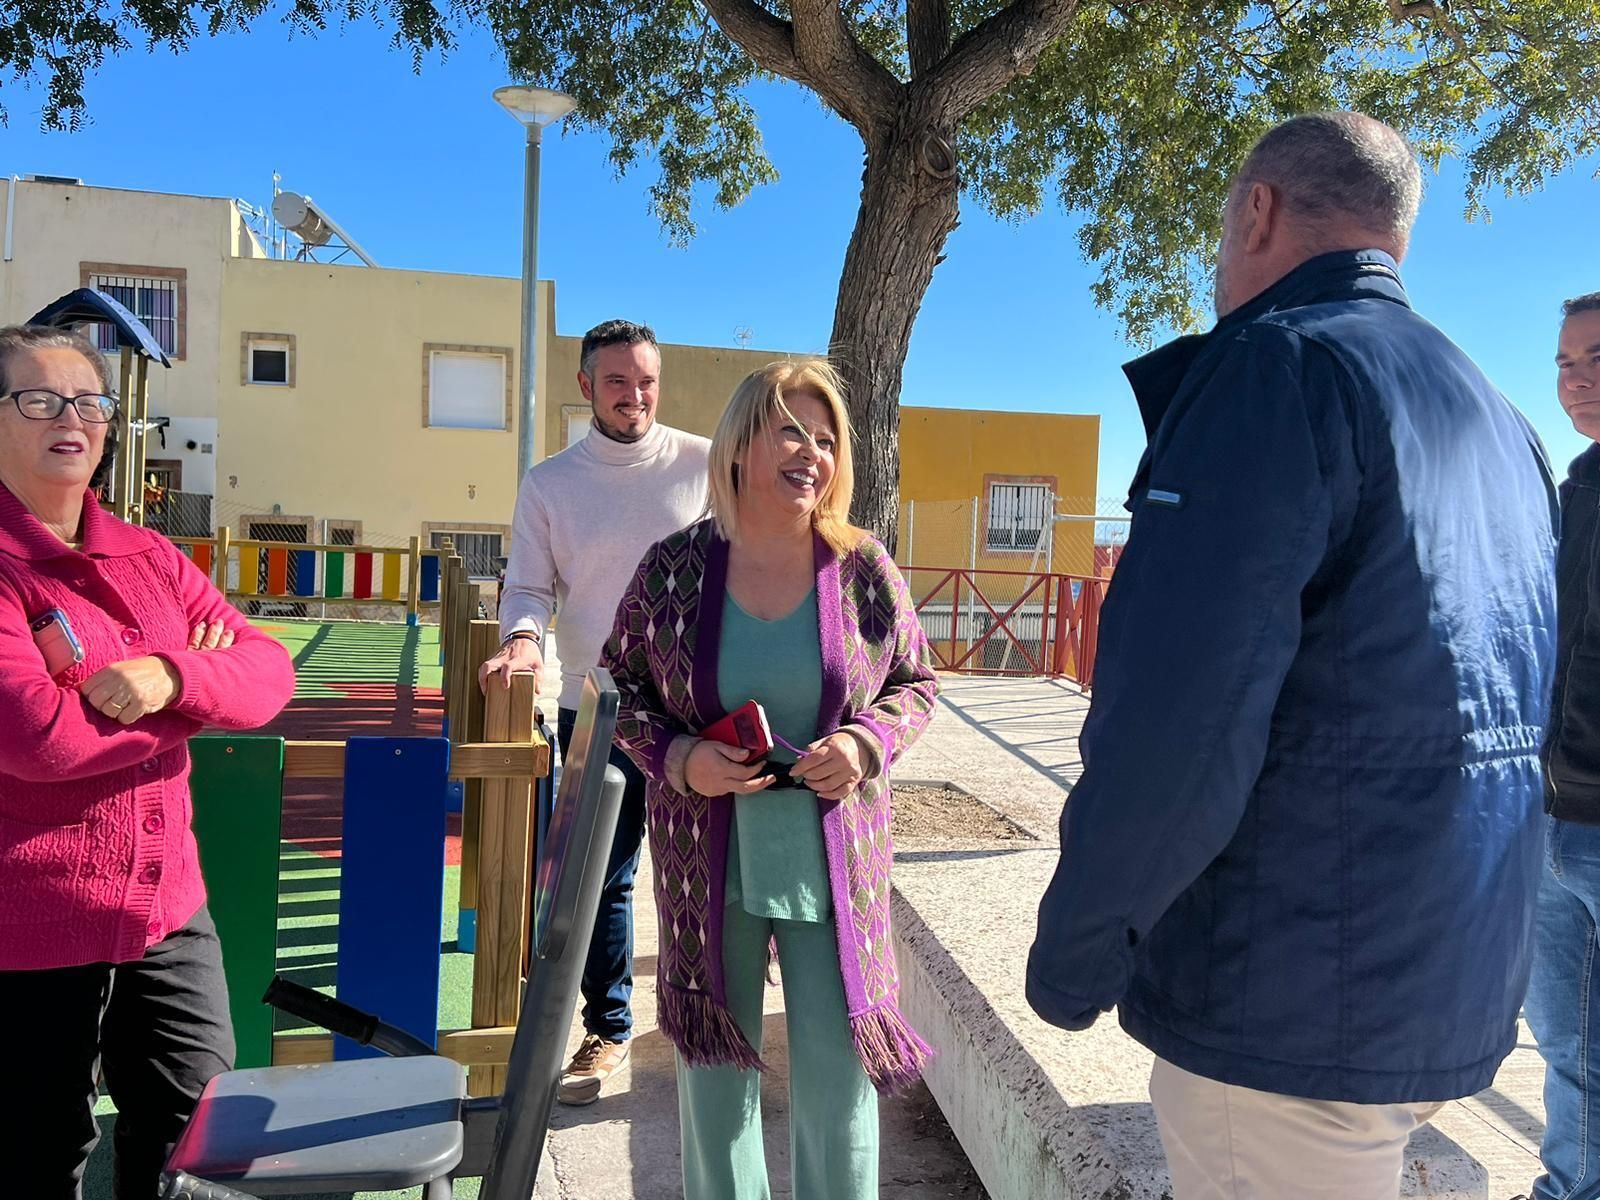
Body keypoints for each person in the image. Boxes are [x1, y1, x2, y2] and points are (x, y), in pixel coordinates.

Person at [1024, 112, 1558, 1199]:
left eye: (1222, 230)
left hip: (1289, 983)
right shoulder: (1502, 418)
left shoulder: (1272, 372)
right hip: (1444, 969)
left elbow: (1181, 722)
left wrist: (1075, 954)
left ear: (1256, 210)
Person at [599, 358, 938, 1198]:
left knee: (836, 1080)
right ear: (743, 441)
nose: (811, 453)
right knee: (716, 1085)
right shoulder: (672, 571)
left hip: (833, 865)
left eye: (826, 439)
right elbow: (620, 686)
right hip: (708, 866)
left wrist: (864, 744)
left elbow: (917, 684)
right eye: (792, 430)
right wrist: (681, 760)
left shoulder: (862, 569)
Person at [0, 324, 296, 1199]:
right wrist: (197, 705)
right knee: (34, 1158)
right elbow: (37, 738)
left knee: (193, 1148)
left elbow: (268, 671)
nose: (72, 418)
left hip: (169, 914)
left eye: (90, 402)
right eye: (40, 399)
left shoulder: (151, 557)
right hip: (32, 932)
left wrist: (170, 675)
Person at [479, 318, 710, 1105]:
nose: (634, 395)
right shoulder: (550, 483)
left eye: (645, 380)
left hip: (695, 712)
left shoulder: (705, 464)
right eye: (617, 381)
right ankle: (609, 1029)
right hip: (596, 707)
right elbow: (530, 588)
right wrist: (521, 640)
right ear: (586, 387)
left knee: (706, 870)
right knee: (603, 880)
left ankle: (707, 1019)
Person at [1525, 291, 1600, 1200]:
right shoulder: (1571, 492)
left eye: (1596, 357)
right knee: (1569, 1043)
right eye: (1564, 362)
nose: (1576, 379)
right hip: (1551, 821)